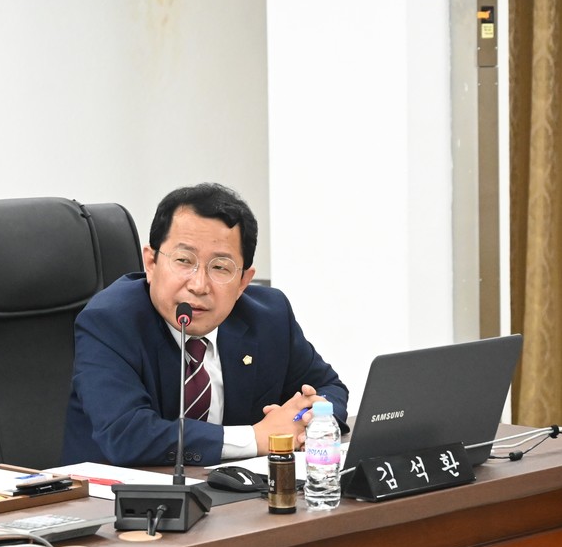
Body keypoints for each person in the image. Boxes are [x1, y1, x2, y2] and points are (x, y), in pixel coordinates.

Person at [60, 182, 348, 467]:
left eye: (220, 267)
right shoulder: (109, 321)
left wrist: (308, 420)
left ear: (243, 282)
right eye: (184, 261)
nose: (198, 285)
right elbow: (127, 435)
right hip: (113, 493)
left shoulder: (269, 316)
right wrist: (257, 437)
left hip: (231, 490)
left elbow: (328, 388)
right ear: (151, 263)